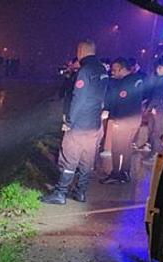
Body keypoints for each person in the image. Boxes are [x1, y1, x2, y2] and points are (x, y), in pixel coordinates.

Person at [42, 40, 108, 205]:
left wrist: (70, 121)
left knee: (69, 158)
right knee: (87, 160)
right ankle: (81, 192)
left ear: (81, 51)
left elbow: (78, 99)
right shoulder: (102, 69)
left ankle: (60, 193)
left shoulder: (85, 71)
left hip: (79, 124)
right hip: (94, 123)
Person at [99, 57, 145, 184]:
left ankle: (117, 174)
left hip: (124, 119)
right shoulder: (137, 79)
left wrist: (113, 116)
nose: (112, 72)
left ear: (122, 69)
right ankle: (124, 173)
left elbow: (119, 102)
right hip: (135, 118)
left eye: (114, 70)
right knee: (126, 147)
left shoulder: (124, 83)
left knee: (118, 148)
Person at [142, 56, 163, 162]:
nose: (157, 70)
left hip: (160, 111)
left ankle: (157, 153)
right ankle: (153, 150)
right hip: (153, 108)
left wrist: (157, 108)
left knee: (157, 132)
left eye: (159, 68)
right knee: (151, 130)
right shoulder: (159, 78)